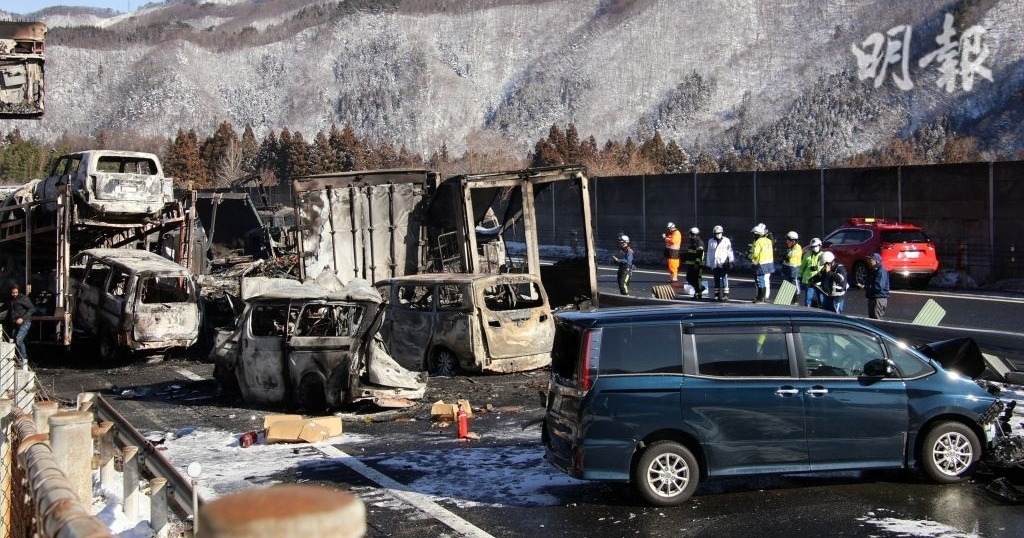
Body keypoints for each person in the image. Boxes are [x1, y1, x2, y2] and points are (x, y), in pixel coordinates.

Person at [1, 284, 34, 368]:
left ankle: (23, 359)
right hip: (15, 323)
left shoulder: (23, 298)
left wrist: (22, 318)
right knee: (14, 340)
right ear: (10, 292)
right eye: (13, 293)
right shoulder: (10, 299)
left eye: (16, 292)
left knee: (19, 339)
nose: (15, 294)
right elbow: (5, 307)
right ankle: (17, 358)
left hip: (25, 322)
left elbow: (32, 309)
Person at [705, 225, 734, 301]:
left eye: (719, 233)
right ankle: (717, 295)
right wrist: (708, 263)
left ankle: (725, 294)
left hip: (723, 262)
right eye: (716, 233)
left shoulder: (726, 240)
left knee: (724, 278)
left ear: (722, 233)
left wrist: (731, 261)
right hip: (715, 263)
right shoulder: (711, 241)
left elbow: (730, 251)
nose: (718, 234)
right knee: (716, 279)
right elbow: (709, 252)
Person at [748, 223, 775, 303]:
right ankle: (763, 297)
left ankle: (760, 298)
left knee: (760, 280)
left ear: (757, 234)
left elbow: (755, 254)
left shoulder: (758, 242)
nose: (753, 236)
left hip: (761, 263)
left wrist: (749, 256)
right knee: (765, 280)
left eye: (754, 234)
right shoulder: (768, 240)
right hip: (769, 263)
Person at [860, 253, 890, 319]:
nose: (868, 261)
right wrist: (866, 286)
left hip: (878, 299)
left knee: (876, 320)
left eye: (870, 260)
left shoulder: (881, 271)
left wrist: (868, 288)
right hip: (873, 298)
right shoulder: (873, 270)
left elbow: (878, 286)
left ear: (876, 261)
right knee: (872, 319)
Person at [799, 238, 825, 308]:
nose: (814, 248)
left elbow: (825, 268)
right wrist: (799, 276)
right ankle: (807, 311)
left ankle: (822, 312)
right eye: (812, 247)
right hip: (809, 281)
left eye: (815, 246)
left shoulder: (823, 255)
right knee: (808, 300)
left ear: (820, 245)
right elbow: (802, 266)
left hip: (819, 282)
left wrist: (817, 268)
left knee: (821, 300)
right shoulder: (807, 254)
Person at [684, 227, 706, 299]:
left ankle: (698, 293)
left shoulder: (699, 242)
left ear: (694, 234)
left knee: (697, 279)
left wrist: (696, 263)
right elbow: (690, 252)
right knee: (689, 278)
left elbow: (700, 254)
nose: (689, 235)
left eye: (690, 234)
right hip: (691, 263)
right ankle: (699, 289)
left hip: (697, 264)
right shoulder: (692, 241)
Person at [782, 231, 802, 304]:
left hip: (794, 269)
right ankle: (788, 299)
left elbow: (793, 254)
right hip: (788, 268)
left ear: (793, 241)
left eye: (788, 240)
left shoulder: (797, 247)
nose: (787, 242)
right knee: (788, 283)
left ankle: (796, 300)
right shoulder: (790, 248)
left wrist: (788, 254)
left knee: (795, 282)